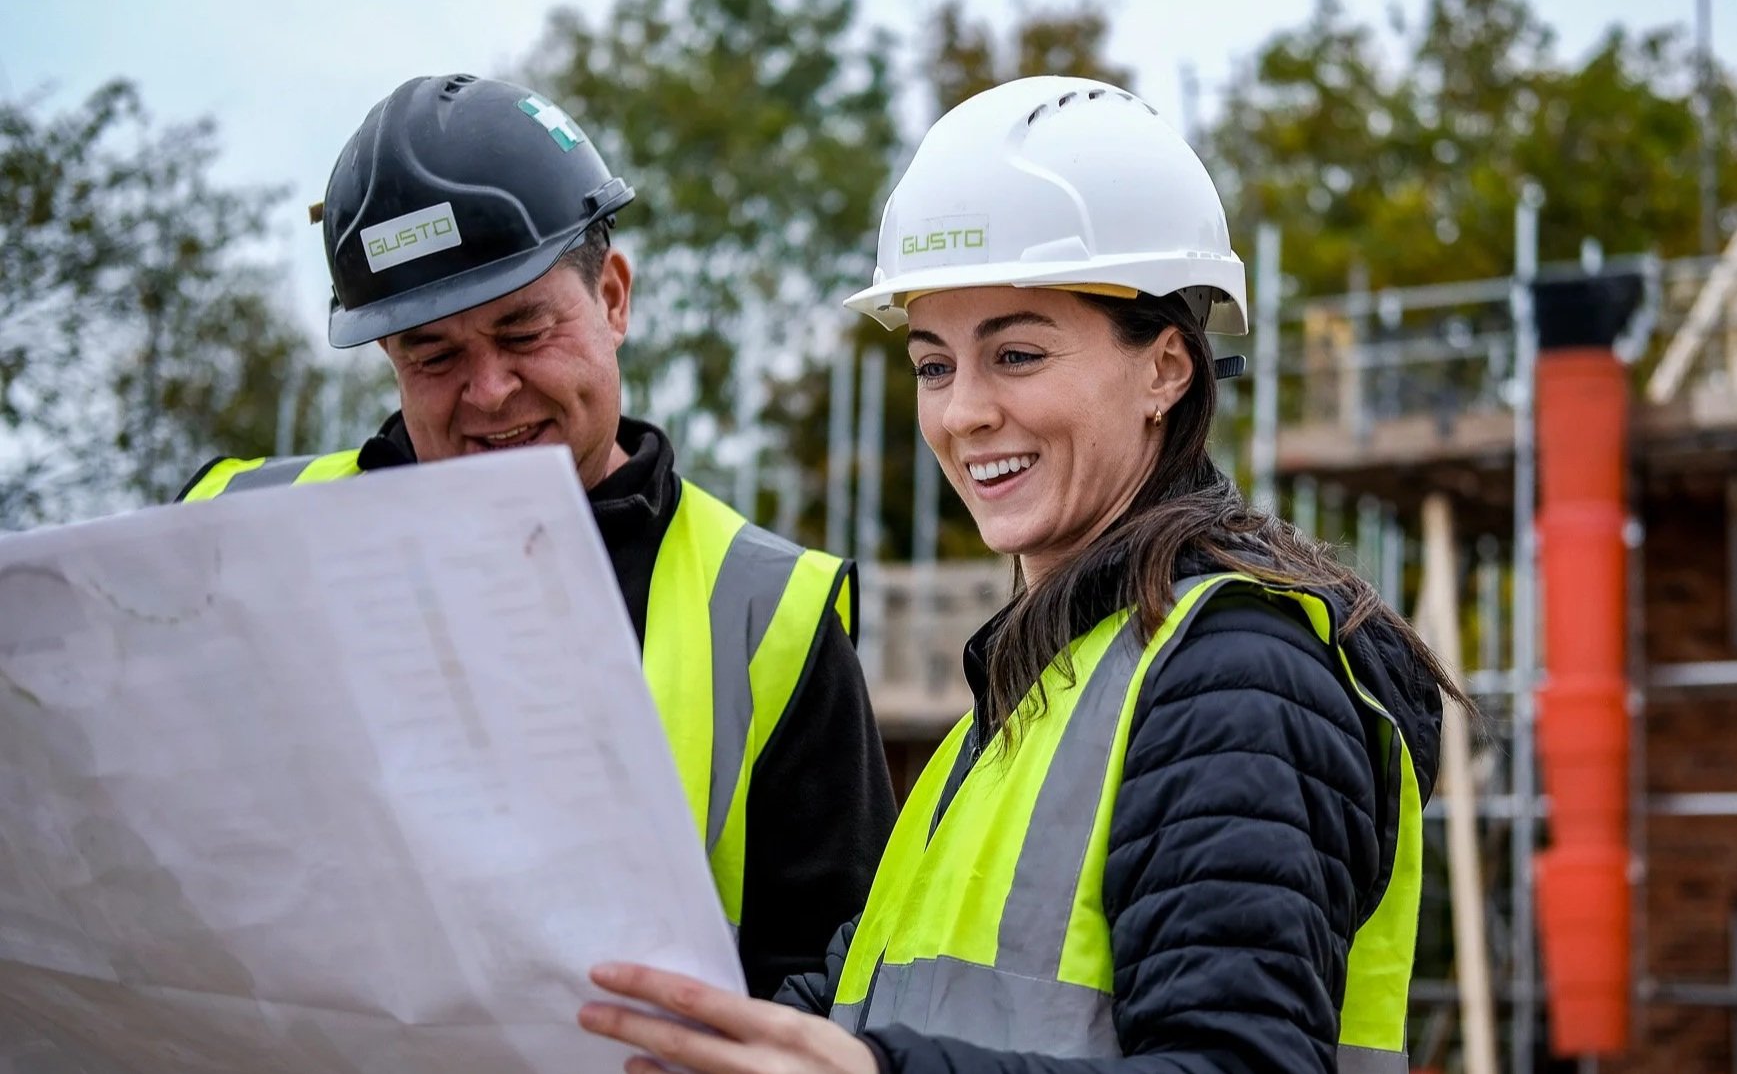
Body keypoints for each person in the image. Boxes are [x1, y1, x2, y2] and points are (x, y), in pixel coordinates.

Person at [578, 75, 1453, 1073]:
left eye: (1019, 354)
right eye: (934, 364)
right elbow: (877, 994)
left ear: (1167, 367)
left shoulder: (1237, 679)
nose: (963, 415)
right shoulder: (1034, 697)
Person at [176, 74, 897, 999]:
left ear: (614, 297)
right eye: (432, 355)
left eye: (523, 330)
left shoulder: (766, 617)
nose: (488, 392)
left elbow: (832, 989)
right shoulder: (237, 540)